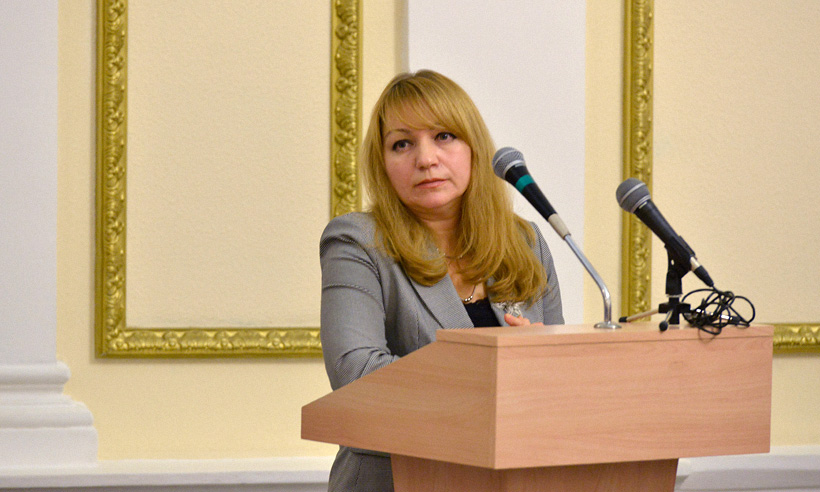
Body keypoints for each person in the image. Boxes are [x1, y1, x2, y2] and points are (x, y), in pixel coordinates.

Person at [319, 69, 563, 492]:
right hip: (399, 479)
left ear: (473, 148)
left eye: (444, 136)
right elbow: (356, 374)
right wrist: (496, 366)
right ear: (383, 164)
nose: (426, 159)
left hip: (517, 477)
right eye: (402, 144)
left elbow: (558, 378)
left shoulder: (523, 242)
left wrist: (539, 361)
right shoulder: (357, 242)